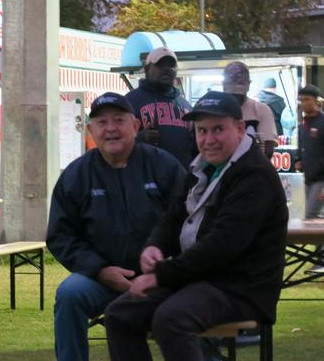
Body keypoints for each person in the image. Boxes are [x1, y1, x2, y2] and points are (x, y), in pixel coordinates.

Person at [104, 91, 288, 361]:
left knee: (172, 319)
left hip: (241, 287)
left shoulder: (254, 174)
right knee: (120, 314)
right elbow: (172, 217)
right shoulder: (200, 167)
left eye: (218, 129)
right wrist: (154, 246)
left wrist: (162, 274)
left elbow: (223, 246)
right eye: (202, 130)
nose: (209, 139)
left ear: (239, 128)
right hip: (200, 278)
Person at [47, 92, 185, 361]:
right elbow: (60, 236)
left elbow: (187, 221)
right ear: (90, 130)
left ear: (135, 126)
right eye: (101, 122)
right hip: (101, 279)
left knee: (197, 296)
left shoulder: (165, 166)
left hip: (162, 278)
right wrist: (99, 270)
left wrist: (166, 270)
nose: (110, 129)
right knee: (70, 294)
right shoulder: (75, 176)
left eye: (119, 120)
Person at [125, 46, 194, 169]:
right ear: (147, 69)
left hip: (180, 181)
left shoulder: (186, 106)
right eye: (160, 65)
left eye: (171, 65)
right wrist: (138, 138)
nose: (166, 69)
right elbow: (115, 142)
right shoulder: (130, 101)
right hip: (143, 181)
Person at [222, 61, 278, 158]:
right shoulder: (215, 110)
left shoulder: (261, 110)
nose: (235, 98)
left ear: (248, 85)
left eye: (239, 95)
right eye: (232, 94)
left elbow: (268, 150)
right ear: (223, 86)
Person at [295, 85, 324, 219]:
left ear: (316, 101)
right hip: (308, 177)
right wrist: (299, 160)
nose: (303, 103)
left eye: (307, 99)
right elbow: (301, 147)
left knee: (310, 214)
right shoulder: (303, 124)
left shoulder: (322, 122)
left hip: (321, 179)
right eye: (301, 100)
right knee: (307, 214)